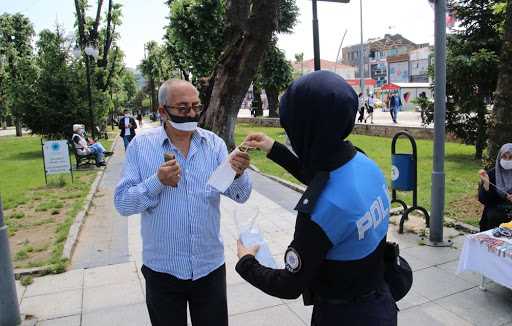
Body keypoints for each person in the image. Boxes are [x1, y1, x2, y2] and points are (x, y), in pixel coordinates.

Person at [236, 71, 397, 326]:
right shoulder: (363, 162)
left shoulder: (322, 211)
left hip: (341, 317)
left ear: (305, 128)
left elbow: (290, 285)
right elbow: (323, 178)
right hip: (381, 303)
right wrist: (273, 149)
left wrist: (246, 262)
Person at [114, 79, 252, 326]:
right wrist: (157, 181)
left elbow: (240, 196)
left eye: (196, 107)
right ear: (162, 111)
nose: (191, 114)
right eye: (182, 108)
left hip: (209, 268)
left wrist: (239, 174)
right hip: (163, 271)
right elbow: (123, 203)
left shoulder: (214, 145)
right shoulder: (141, 147)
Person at [478, 143, 512, 231]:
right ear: (499, 157)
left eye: (510, 157)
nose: (507, 160)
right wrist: (486, 185)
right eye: (504, 156)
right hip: (495, 218)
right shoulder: (491, 174)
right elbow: (483, 200)